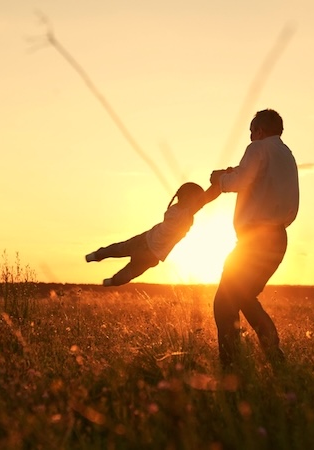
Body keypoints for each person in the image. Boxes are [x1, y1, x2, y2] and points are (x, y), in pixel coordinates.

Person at [209, 108, 300, 370]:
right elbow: (253, 176)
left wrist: (220, 179)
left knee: (225, 302)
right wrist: (231, 172)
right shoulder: (286, 154)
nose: (250, 137)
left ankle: (232, 366)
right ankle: (274, 358)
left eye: (251, 131)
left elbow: (241, 181)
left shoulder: (257, 148)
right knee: (243, 297)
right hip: (278, 239)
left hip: (254, 241)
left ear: (259, 131)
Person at [85, 181, 220, 286]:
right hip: (152, 254)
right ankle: (111, 282)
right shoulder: (184, 214)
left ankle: (96, 255)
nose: (198, 202)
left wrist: (219, 183)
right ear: (187, 198)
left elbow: (203, 200)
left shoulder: (174, 209)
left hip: (145, 239)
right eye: (196, 198)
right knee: (131, 271)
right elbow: (206, 199)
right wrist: (220, 183)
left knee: (120, 248)